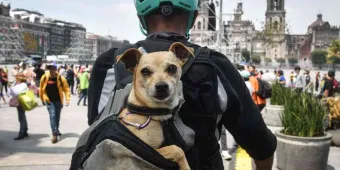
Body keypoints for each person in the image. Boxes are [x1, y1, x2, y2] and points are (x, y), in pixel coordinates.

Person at [85, 1, 276, 169]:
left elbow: (96, 129)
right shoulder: (216, 64)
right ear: (194, 17)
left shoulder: (108, 63)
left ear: (141, 18)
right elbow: (261, 145)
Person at [39, 62, 71, 143]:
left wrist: (67, 100)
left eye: (53, 68)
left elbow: (66, 89)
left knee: (57, 116)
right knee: (52, 115)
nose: (51, 70)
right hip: (49, 100)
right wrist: (42, 99)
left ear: (56, 70)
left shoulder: (61, 78)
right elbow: (41, 89)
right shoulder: (44, 77)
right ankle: (54, 134)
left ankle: (56, 129)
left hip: (58, 101)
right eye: (50, 68)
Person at [10, 73, 29, 140]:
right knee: (22, 116)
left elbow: (15, 92)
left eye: (17, 78)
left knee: (21, 118)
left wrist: (12, 88)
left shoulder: (23, 85)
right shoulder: (19, 84)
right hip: (19, 102)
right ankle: (25, 130)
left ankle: (21, 133)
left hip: (21, 102)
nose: (16, 79)